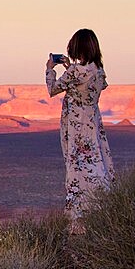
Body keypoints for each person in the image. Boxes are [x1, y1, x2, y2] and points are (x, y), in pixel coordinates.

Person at [46, 28, 114, 233]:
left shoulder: (75, 72)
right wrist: (70, 66)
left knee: (76, 166)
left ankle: (78, 221)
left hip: (75, 127)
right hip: (92, 124)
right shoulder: (99, 71)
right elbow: (93, 83)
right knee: (95, 163)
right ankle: (101, 208)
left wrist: (51, 69)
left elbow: (53, 89)